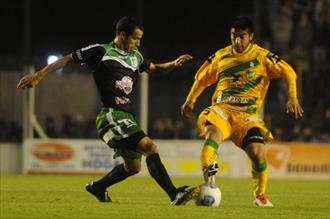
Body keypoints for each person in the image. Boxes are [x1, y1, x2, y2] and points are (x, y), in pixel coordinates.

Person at [17, 16, 193, 205]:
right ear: (122, 35)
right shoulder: (101, 51)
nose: (138, 42)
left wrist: (173, 64)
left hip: (126, 116)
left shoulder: (136, 57)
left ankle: (98, 187)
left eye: (140, 38)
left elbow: (154, 68)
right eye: (135, 38)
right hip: (110, 115)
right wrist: (38, 75)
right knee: (150, 147)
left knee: (133, 167)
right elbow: (67, 59)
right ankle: (174, 194)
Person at [177, 15, 304, 207]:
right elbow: (201, 78)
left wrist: (292, 96)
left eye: (242, 36)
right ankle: (209, 185)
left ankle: (260, 195)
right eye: (233, 36)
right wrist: (190, 100)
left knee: (258, 154)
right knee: (211, 138)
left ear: (251, 36)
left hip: (247, 118)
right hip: (222, 111)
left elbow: (289, 72)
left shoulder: (262, 56)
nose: (237, 41)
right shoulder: (221, 56)